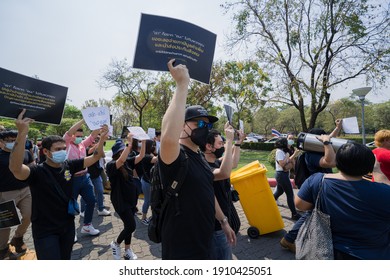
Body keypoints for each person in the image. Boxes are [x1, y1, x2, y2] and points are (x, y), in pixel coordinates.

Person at [158, 59, 235, 259]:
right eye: (199, 123)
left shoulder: (199, 156)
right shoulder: (175, 156)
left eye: (208, 126)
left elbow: (209, 189)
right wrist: (182, 84)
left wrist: (224, 221)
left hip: (206, 238)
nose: (205, 129)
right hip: (182, 246)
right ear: (183, 125)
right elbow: (167, 138)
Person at [9, 109, 108, 259]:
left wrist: (102, 139)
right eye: (58, 150)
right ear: (47, 152)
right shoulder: (37, 172)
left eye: (63, 149)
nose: (62, 152)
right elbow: (16, 168)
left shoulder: (69, 166)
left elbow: (96, 156)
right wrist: (22, 133)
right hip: (45, 231)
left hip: (67, 226)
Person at [295, 141, 390, 259]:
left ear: (338, 161)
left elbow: (300, 205)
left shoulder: (317, 181)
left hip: (328, 253)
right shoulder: (384, 192)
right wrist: (378, 171)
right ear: (370, 166)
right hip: (375, 254)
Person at [280, 119, 342, 253]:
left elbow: (329, 140)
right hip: (317, 189)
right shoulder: (312, 155)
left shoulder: (316, 150)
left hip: (318, 188)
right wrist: (327, 142)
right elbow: (330, 162)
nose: (327, 141)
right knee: (311, 214)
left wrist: (337, 128)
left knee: (313, 213)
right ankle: (289, 239)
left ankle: (291, 238)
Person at [200, 124, 243, 260]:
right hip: (216, 225)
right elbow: (224, 173)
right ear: (209, 146)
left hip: (224, 219)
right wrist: (229, 142)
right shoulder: (204, 167)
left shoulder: (216, 162)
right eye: (220, 143)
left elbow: (233, 164)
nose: (223, 145)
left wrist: (237, 143)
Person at [106, 134, 145, 260]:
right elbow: (121, 161)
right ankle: (116, 243)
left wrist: (143, 141)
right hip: (120, 200)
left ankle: (127, 250)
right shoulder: (111, 165)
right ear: (117, 153)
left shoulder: (128, 162)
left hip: (130, 199)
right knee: (131, 226)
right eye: (123, 150)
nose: (126, 152)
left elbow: (141, 156)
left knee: (128, 226)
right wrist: (129, 143)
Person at [63, 119, 101, 237]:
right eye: (77, 136)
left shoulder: (82, 145)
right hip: (71, 178)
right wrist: (84, 120)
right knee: (71, 205)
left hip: (85, 177)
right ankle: (71, 230)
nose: (79, 138)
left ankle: (87, 226)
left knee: (91, 201)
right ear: (72, 136)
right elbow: (69, 132)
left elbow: (93, 135)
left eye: (81, 136)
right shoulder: (66, 144)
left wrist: (99, 125)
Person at [0, 130, 34, 260]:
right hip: (5, 194)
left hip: (25, 190)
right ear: (1, 142)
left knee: (29, 215)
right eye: (8, 140)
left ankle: (18, 238)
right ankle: (3, 248)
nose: (12, 143)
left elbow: (32, 168)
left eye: (15, 139)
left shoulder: (25, 153)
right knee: (5, 223)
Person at [79, 136, 111, 217]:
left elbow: (103, 155)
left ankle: (101, 209)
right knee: (86, 194)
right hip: (87, 175)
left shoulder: (98, 148)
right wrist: (100, 141)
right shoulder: (85, 149)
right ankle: (83, 211)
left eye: (95, 141)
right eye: (92, 141)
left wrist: (100, 145)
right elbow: (91, 150)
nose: (93, 143)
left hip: (96, 175)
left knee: (100, 191)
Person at [273, 137, 301, 220]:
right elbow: (282, 164)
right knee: (290, 194)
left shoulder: (283, 151)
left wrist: (291, 155)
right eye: (286, 142)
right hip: (281, 175)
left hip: (283, 175)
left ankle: (267, 205)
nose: (288, 143)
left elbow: (287, 161)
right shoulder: (279, 152)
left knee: (279, 192)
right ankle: (294, 214)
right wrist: (291, 155)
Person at [140, 139, 158, 225]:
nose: (155, 146)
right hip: (146, 182)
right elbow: (157, 159)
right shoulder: (146, 156)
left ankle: (150, 216)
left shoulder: (150, 154)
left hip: (149, 181)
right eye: (153, 145)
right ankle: (143, 218)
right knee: (147, 200)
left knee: (151, 200)